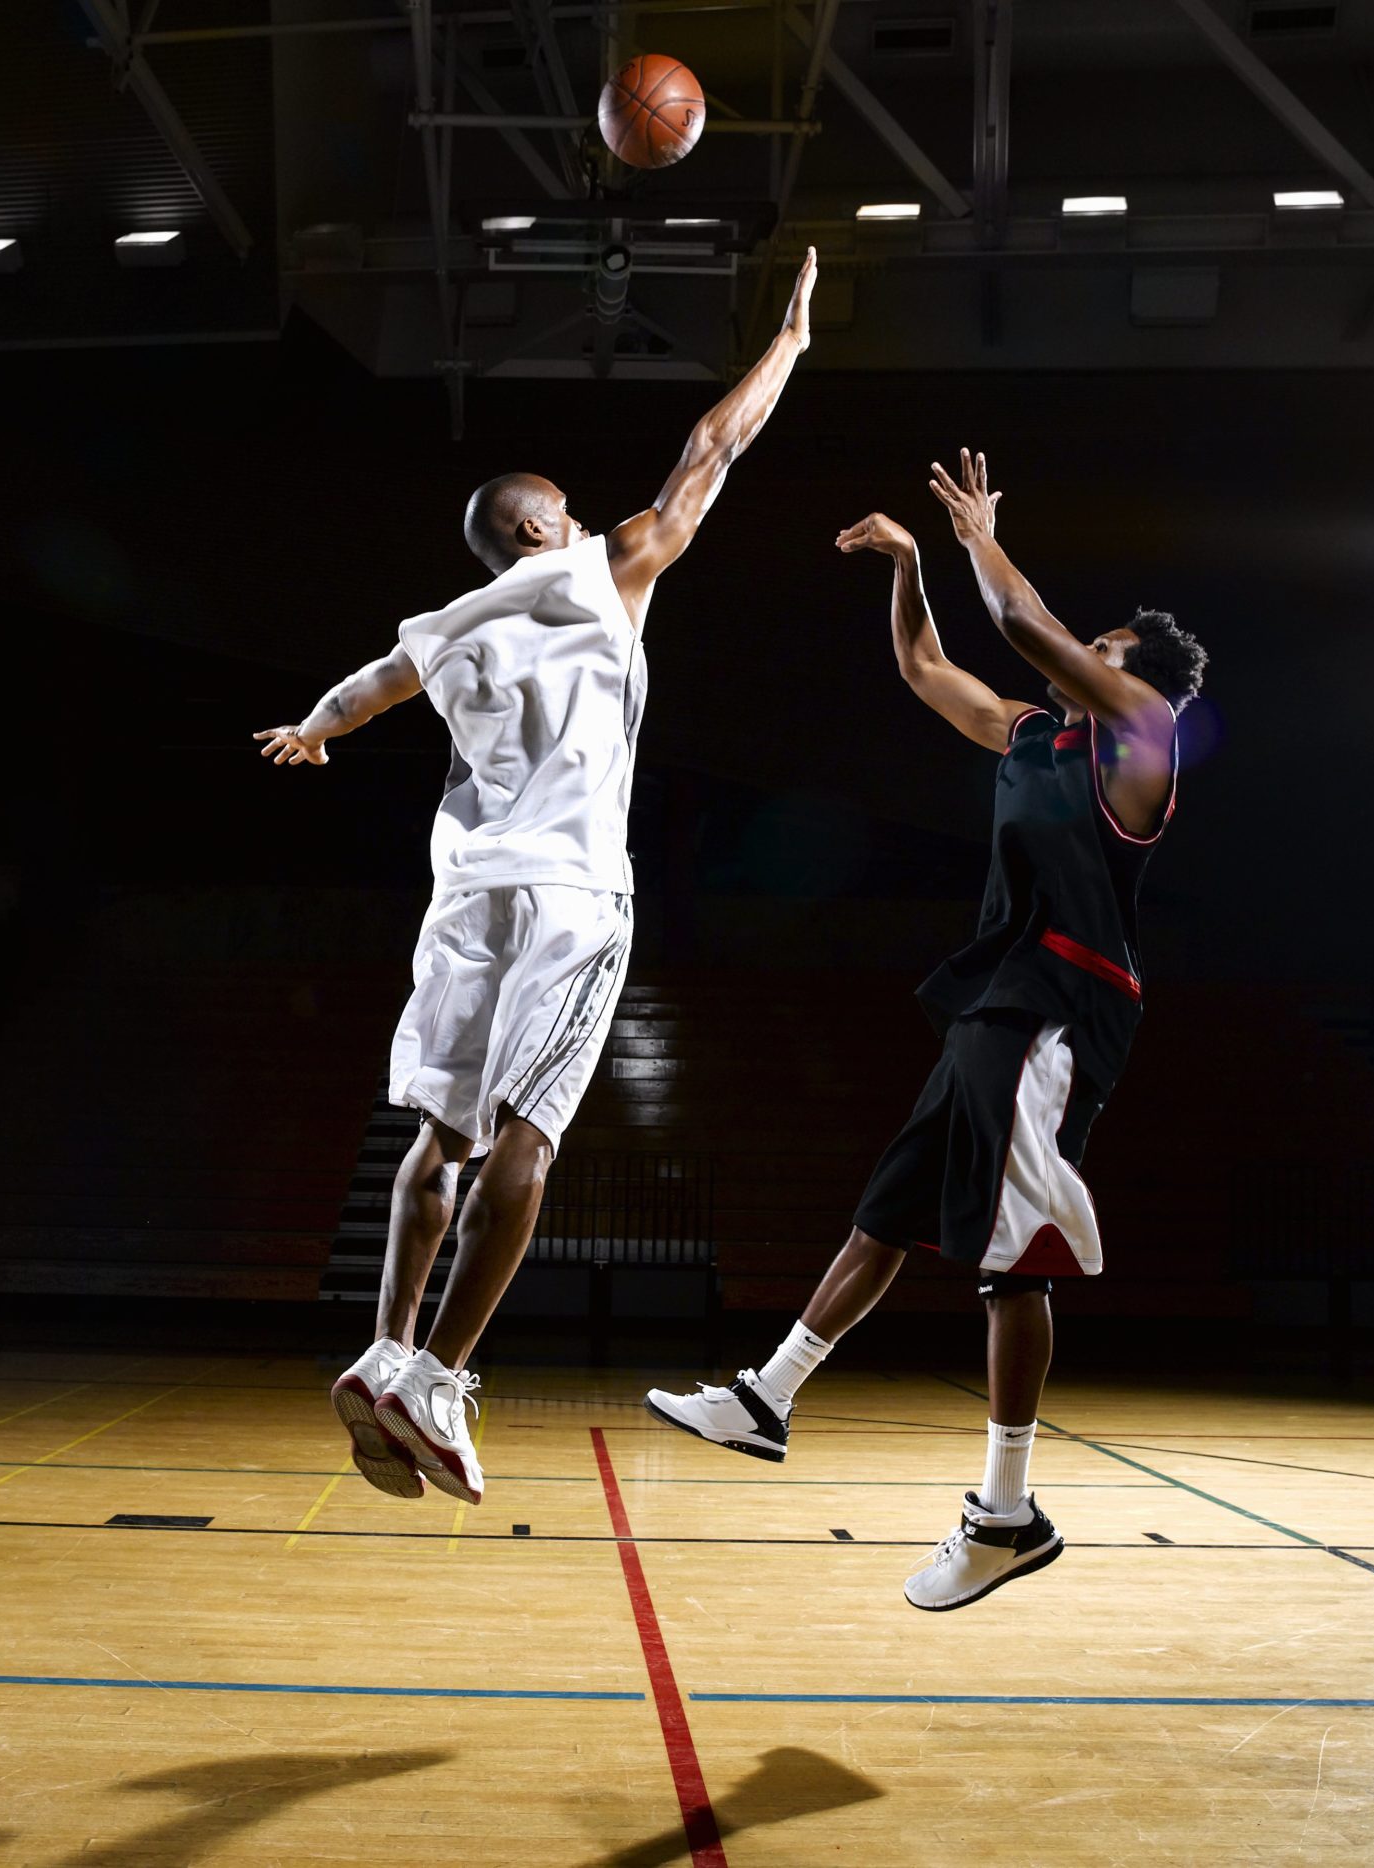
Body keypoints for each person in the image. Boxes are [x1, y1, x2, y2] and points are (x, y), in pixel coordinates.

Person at [256, 252, 824, 1506]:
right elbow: (708, 453)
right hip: (570, 893)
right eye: (561, 509)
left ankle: (387, 1341)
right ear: (535, 529)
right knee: (531, 1137)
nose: (580, 519)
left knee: (438, 1138)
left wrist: (314, 727)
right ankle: (440, 1375)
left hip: (464, 898)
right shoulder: (598, 572)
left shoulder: (449, 623)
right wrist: (783, 343)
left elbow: (367, 688)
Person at [643, 450, 1207, 1609]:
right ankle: (769, 1395)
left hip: (1063, 1002)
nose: (1080, 651)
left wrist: (974, 531)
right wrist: (907, 567)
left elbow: (1020, 616)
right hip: (997, 996)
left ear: (1126, 675)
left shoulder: (1143, 734)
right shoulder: (1031, 739)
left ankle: (1006, 1512)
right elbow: (924, 664)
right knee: (890, 1209)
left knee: (1008, 1263)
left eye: (1097, 647)